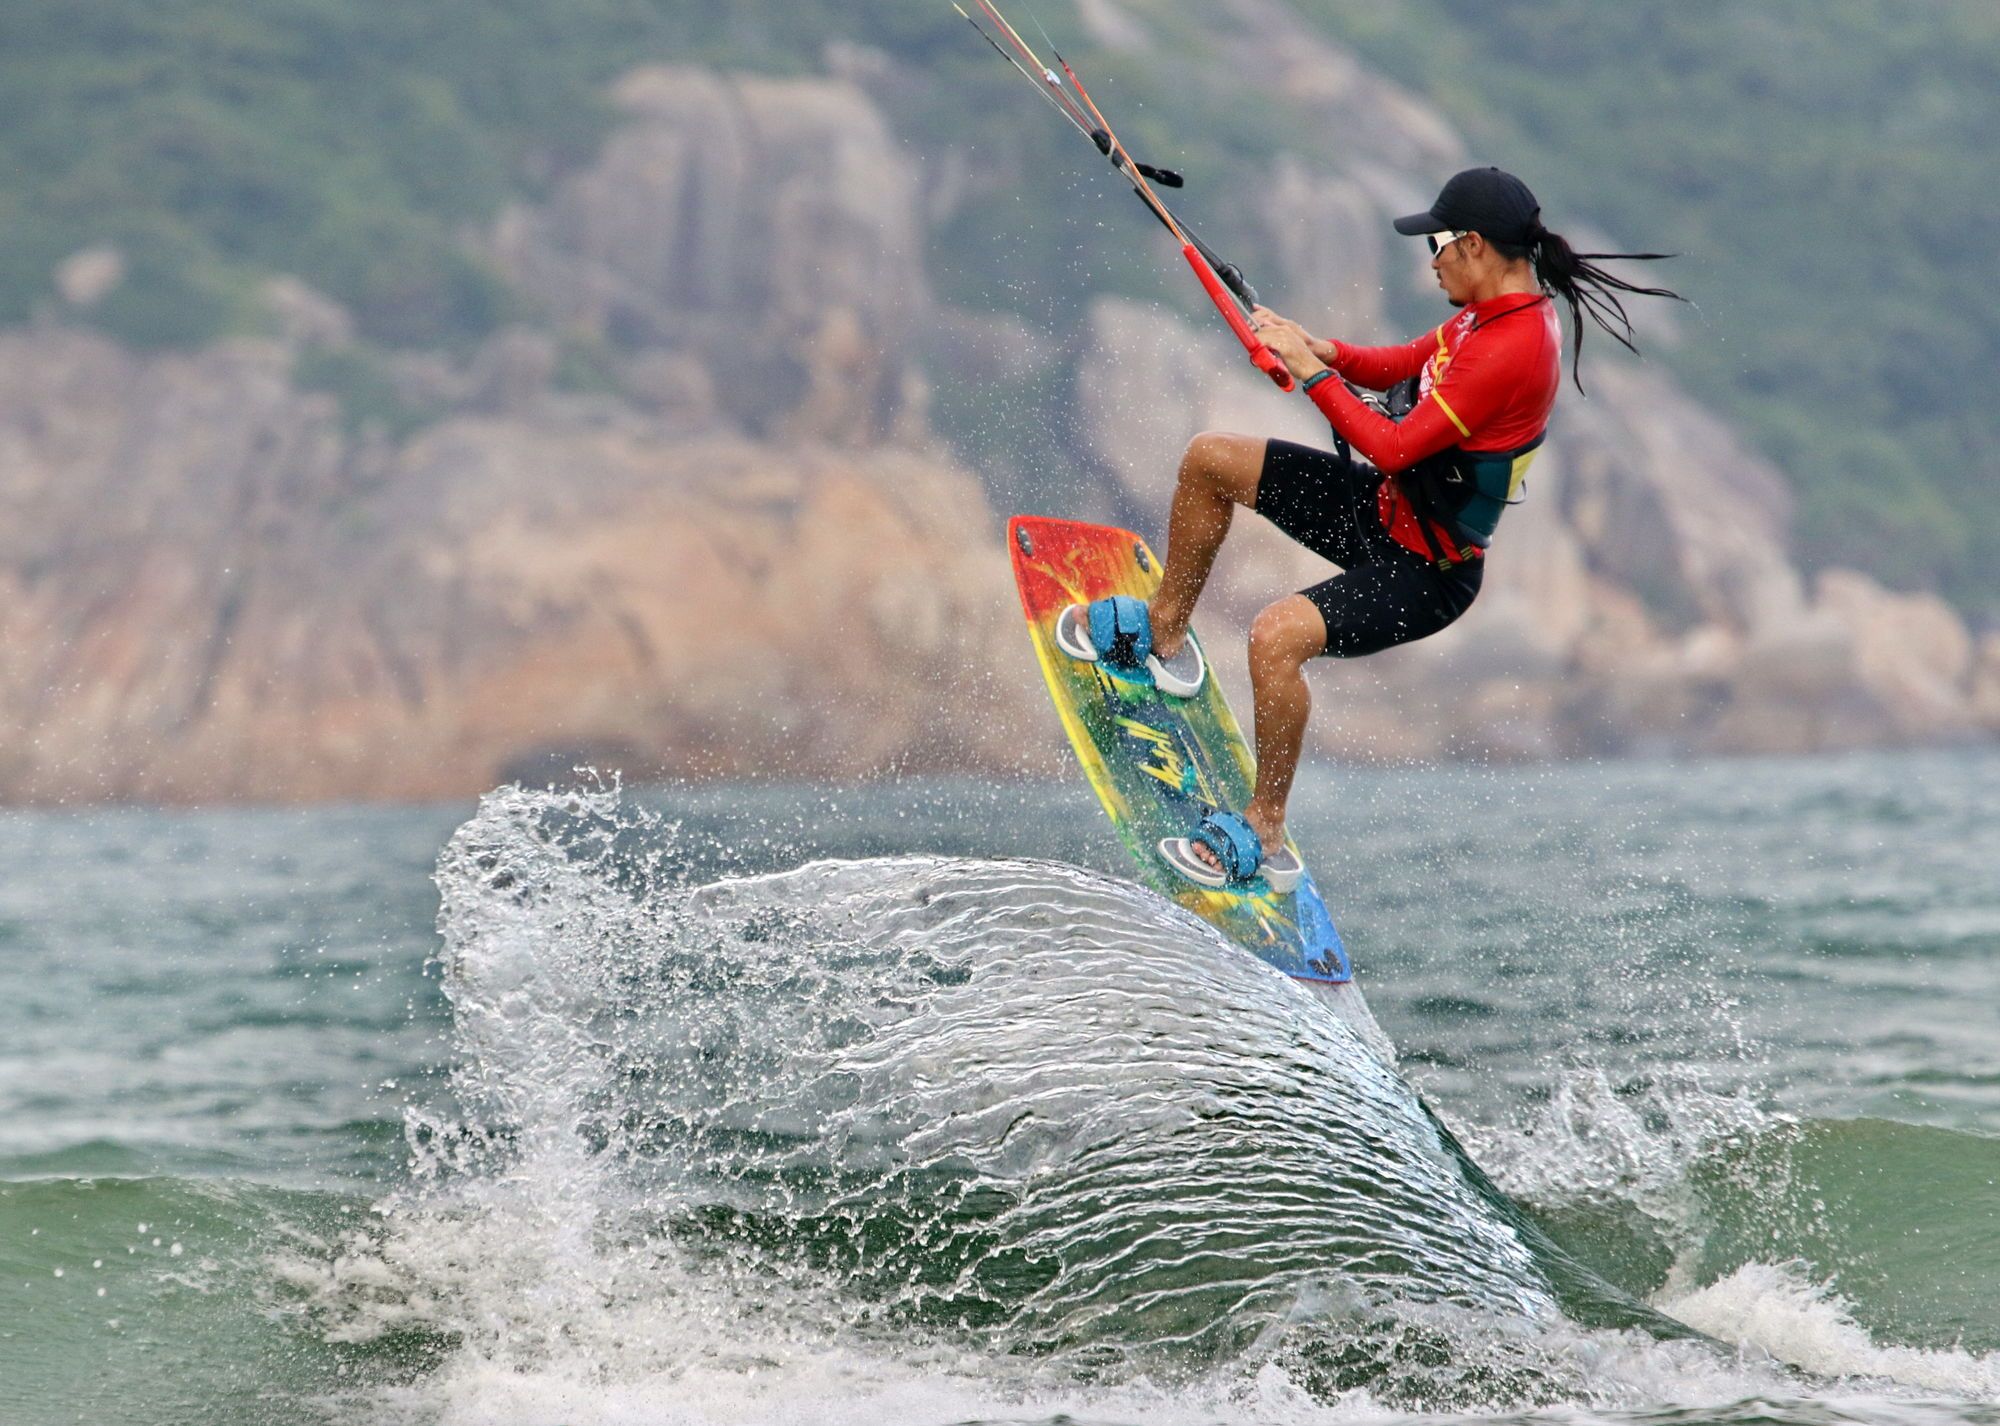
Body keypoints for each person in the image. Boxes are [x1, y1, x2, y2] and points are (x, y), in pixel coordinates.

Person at [1055, 167, 1682, 889]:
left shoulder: (1513, 349)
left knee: (1274, 638)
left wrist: (1310, 377)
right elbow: (1400, 366)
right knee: (1210, 462)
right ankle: (1164, 634)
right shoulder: (1484, 315)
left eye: (1440, 244)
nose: (1434, 258)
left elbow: (1393, 446)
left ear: (1476, 246)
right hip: (1387, 512)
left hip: (1427, 573)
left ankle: (1265, 827)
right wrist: (1320, 350)